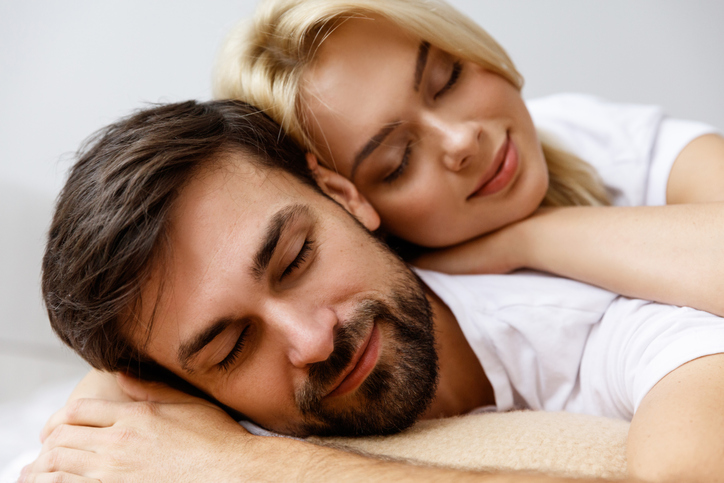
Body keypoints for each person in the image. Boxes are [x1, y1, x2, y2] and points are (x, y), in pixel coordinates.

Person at [23, 99, 724, 482]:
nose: (312, 339)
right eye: (232, 346)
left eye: (297, 258)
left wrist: (246, 466)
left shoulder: (607, 325)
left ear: (343, 195)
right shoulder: (179, 411)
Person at [214, 0, 724, 318]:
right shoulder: (434, 328)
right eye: (398, 161)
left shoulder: (576, 127)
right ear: (347, 203)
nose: (460, 140)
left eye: (447, 79)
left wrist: (525, 238)